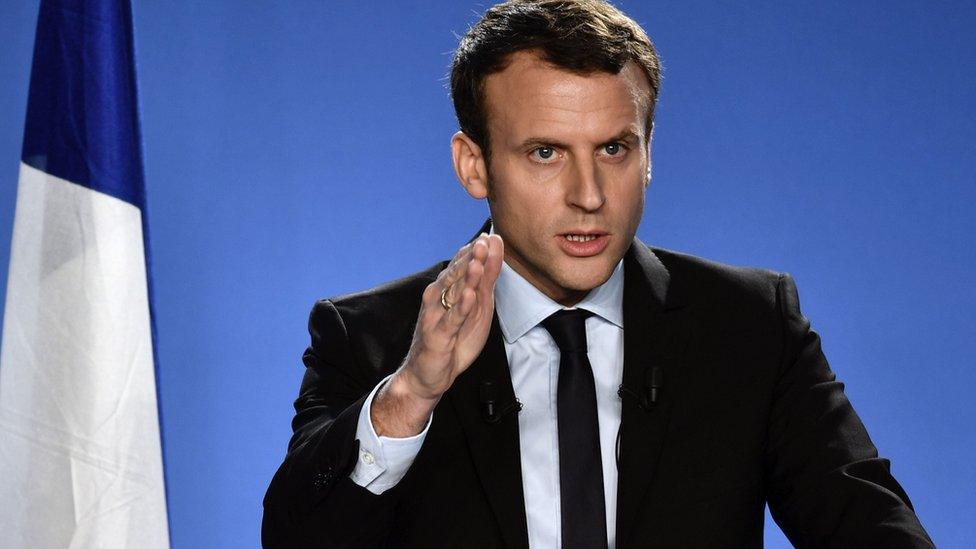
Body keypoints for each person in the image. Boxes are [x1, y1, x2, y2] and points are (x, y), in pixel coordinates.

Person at [262, 1, 934, 547]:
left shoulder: (750, 326)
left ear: (648, 155)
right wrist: (411, 395)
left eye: (614, 148)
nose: (588, 193)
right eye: (546, 151)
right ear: (474, 165)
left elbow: (876, 532)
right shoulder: (371, 337)